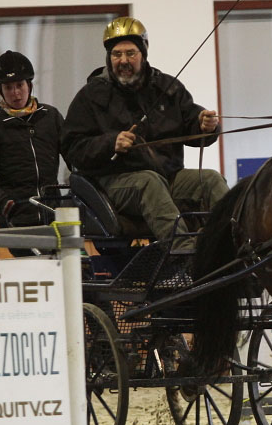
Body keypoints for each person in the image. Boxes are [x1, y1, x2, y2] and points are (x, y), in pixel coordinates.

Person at [60, 16, 228, 252]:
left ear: (144, 53)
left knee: (210, 179)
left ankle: (232, 244)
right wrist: (111, 143)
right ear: (109, 57)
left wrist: (205, 125)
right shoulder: (90, 96)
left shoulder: (168, 88)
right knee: (147, 182)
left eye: (130, 53)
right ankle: (183, 253)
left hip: (166, 177)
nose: (123, 60)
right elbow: (72, 148)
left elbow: (192, 120)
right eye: (116, 54)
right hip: (113, 183)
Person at [0, 50, 64, 255]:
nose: (15, 93)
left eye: (19, 86)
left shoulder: (51, 116)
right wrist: (4, 203)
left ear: (29, 85)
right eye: (8, 87)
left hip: (54, 212)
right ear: (0, 90)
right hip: (17, 218)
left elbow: (74, 155)